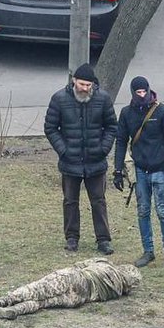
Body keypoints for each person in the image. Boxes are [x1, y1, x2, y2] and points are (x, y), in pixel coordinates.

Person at [45, 62, 118, 255]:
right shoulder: (59, 99)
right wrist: (64, 150)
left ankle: (103, 239)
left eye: (89, 85)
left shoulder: (103, 99)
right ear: (74, 81)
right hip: (70, 161)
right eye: (82, 84)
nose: (85, 89)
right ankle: (71, 238)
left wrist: (103, 149)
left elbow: (112, 126)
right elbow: (51, 128)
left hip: (96, 161)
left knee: (99, 201)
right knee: (70, 201)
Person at [114, 75, 164, 268]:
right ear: (133, 93)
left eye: (144, 91)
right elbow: (121, 141)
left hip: (160, 168)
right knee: (143, 210)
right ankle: (148, 251)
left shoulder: (162, 111)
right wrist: (118, 170)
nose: (142, 95)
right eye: (138, 92)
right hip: (141, 169)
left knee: (163, 211)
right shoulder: (126, 113)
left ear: (149, 90)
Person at [0, 258, 142, 320]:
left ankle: (4, 301)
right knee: (42, 303)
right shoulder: (117, 291)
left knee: (36, 289)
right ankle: (16, 310)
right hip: (80, 298)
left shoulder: (104, 263)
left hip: (77, 278)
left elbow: (79, 264)